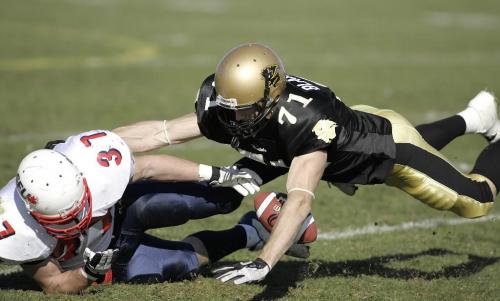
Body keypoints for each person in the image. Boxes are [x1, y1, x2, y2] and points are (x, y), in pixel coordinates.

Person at [114, 42, 500, 284]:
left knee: (476, 200)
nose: (231, 120)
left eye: (243, 112)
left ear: (267, 101)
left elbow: (300, 197)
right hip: (346, 134)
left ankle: (494, 131)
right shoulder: (238, 104)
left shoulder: (304, 124)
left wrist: (265, 263)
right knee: (231, 186)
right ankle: (472, 118)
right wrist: (92, 143)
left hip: (385, 151)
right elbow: (161, 132)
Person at [0, 129, 263, 293]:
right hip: (104, 258)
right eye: (62, 217)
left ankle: (277, 157)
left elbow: (150, 167)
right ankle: (252, 231)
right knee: (181, 263)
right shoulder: (14, 226)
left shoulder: (89, 165)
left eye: (76, 207)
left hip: (123, 210)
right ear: (31, 210)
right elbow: (54, 285)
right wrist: (87, 273)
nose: (76, 219)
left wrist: (213, 174)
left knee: (205, 199)